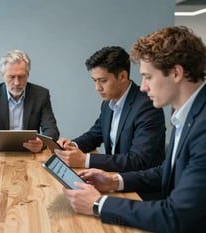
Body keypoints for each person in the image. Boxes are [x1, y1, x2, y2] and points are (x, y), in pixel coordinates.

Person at [59, 26, 206, 233]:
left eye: (148, 77)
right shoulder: (189, 115)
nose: (143, 87)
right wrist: (113, 181)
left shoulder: (202, 126)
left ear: (176, 73)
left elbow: (177, 216)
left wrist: (98, 204)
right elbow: (167, 171)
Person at [57, 46, 166, 172]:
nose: (97, 88)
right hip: (111, 177)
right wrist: (72, 145)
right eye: (95, 81)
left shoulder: (147, 106)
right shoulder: (108, 103)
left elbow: (137, 160)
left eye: (102, 81)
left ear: (123, 76)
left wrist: (85, 160)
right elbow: (94, 135)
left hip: (138, 188)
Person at [0, 49, 59, 152]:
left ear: (28, 75)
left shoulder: (41, 95)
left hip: (31, 152)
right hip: (0, 152)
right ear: (2, 76)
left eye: (21, 77)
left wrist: (41, 142)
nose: (17, 82)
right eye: (11, 77)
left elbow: (52, 130)